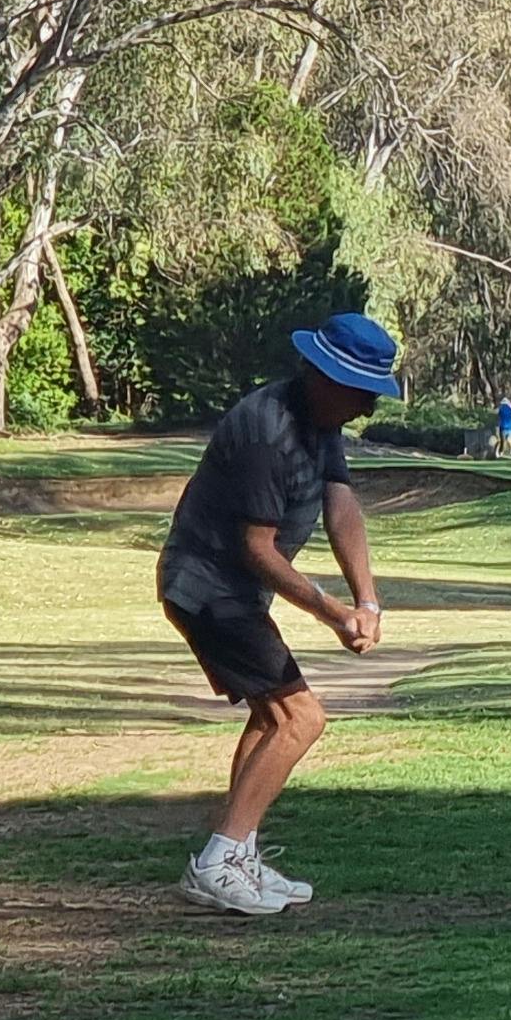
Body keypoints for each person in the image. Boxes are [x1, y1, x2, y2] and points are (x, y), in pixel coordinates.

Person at [156, 311, 400, 917]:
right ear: (324, 376)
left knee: (271, 719)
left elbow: (340, 506)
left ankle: (235, 858)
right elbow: (255, 549)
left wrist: (367, 598)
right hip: (209, 589)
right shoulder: (267, 431)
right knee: (301, 718)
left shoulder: (322, 422)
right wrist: (332, 612)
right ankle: (219, 859)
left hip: (230, 593)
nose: (368, 408)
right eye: (363, 393)